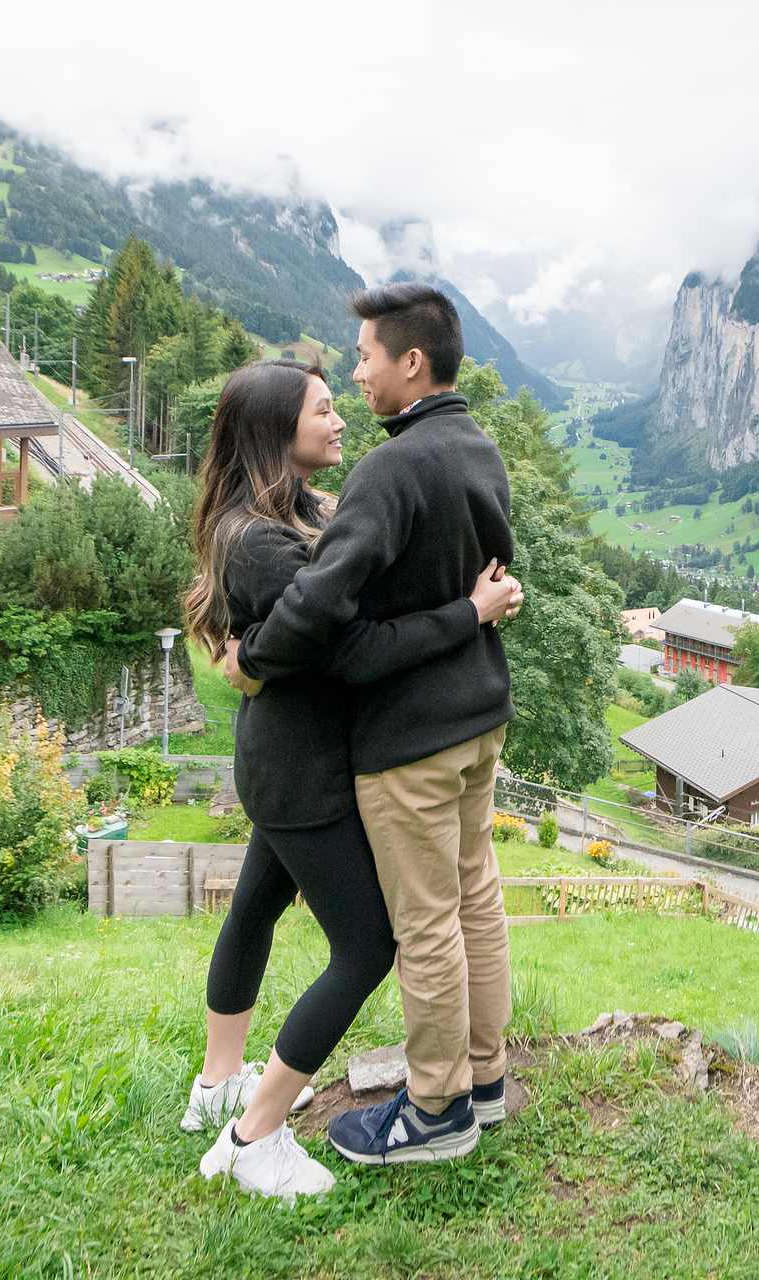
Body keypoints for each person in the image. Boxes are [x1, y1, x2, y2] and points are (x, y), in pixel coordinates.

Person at [181, 359, 522, 1201]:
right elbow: (354, 645)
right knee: (368, 946)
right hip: (303, 772)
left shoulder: (300, 510)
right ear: (273, 431)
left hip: (290, 759)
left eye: (340, 403)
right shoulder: (256, 542)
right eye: (322, 411)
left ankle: (217, 1085)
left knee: (256, 905)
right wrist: (466, 616)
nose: (340, 421)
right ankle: (254, 1134)